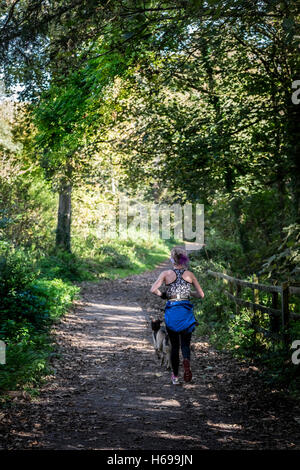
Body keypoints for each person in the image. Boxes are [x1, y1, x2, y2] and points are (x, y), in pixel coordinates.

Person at [150, 247, 204, 385]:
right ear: (183, 259)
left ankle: (175, 376)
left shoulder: (166, 273)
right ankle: (186, 361)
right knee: (185, 345)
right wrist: (188, 294)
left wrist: (163, 295)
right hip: (185, 312)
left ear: (172, 259)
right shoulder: (190, 275)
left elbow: (153, 289)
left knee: (174, 346)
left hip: (172, 311)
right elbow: (201, 295)